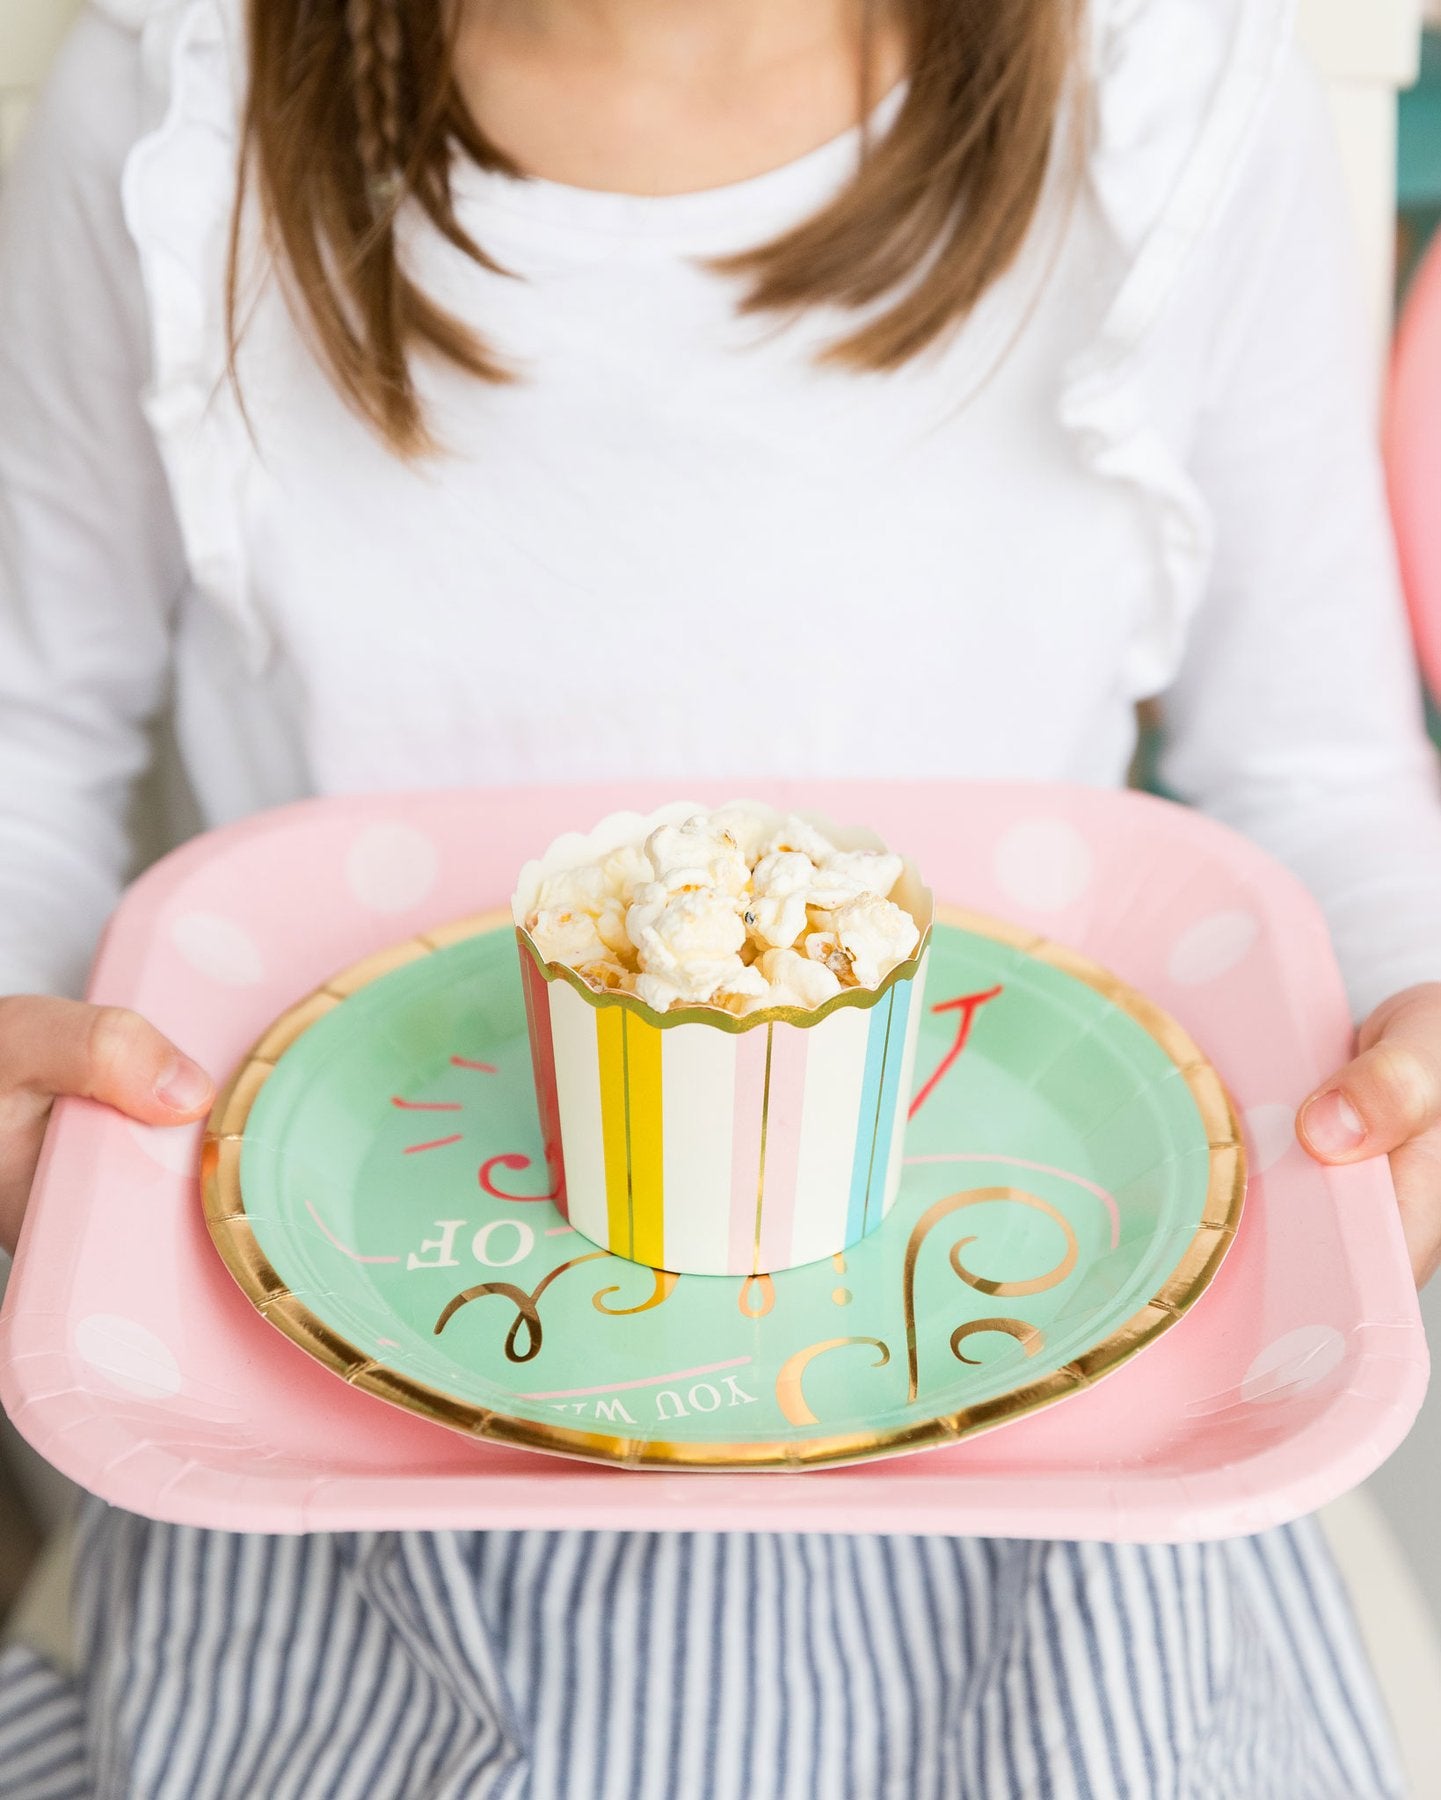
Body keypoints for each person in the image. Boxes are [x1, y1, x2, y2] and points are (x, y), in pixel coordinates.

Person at [0, 0, 1438, 1793]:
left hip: (1039, 1431)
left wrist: (1405, 1021)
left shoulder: (1168, 94)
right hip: (354, 1415)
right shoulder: (173, 106)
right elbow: (33, 738)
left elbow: (1313, 778)